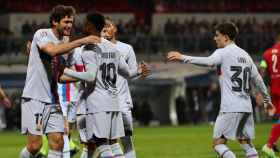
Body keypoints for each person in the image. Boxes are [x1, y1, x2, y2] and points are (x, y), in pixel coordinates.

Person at [167, 22, 274, 158]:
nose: (214, 38)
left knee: (218, 144)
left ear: (226, 37)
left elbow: (208, 62)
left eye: (217, 35)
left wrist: (183, 57)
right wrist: (267, 100)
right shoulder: (246, 55)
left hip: (230, 108)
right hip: (246, 108)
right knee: (246, 143)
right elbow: (258, 80)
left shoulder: (223, 52)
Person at [62, 12, 149, 158]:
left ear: (90, 26)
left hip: (97, 103)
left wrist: (66, 71)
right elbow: (128, 73)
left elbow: (90, 76)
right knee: (113, 145)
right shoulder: (113, 47)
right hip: (114, 102)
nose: (83, 26)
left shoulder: (89, 48)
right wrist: (139, 71)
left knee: (101, 144)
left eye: (85, 23)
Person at [20, 5, 100, 158]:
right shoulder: (42, 34)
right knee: (35, 146)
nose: (70, 25)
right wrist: (82, 41)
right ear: (55, 22)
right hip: (34, 98)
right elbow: (51, 50)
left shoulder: (66, 44)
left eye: (71, 22)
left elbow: (60, 76)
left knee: (58, 142)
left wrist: (85, 77)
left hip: (53, 99)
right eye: (66, 22)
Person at [101, 17, 138, 158]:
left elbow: (132, 73)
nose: (106, 29)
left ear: (114, 28)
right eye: (102, 27)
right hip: (102, 101)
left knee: (127, 140)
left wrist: (139, 72)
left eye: (108, 26)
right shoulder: (96, 49)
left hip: (122, 101)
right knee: (105, 142)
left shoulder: (126, 48)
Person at [260, 32, 280, 158]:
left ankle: (271, 144)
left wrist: (262, 92)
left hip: (274, 90)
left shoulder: (266, 53)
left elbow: (261, 72)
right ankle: (269, 145)